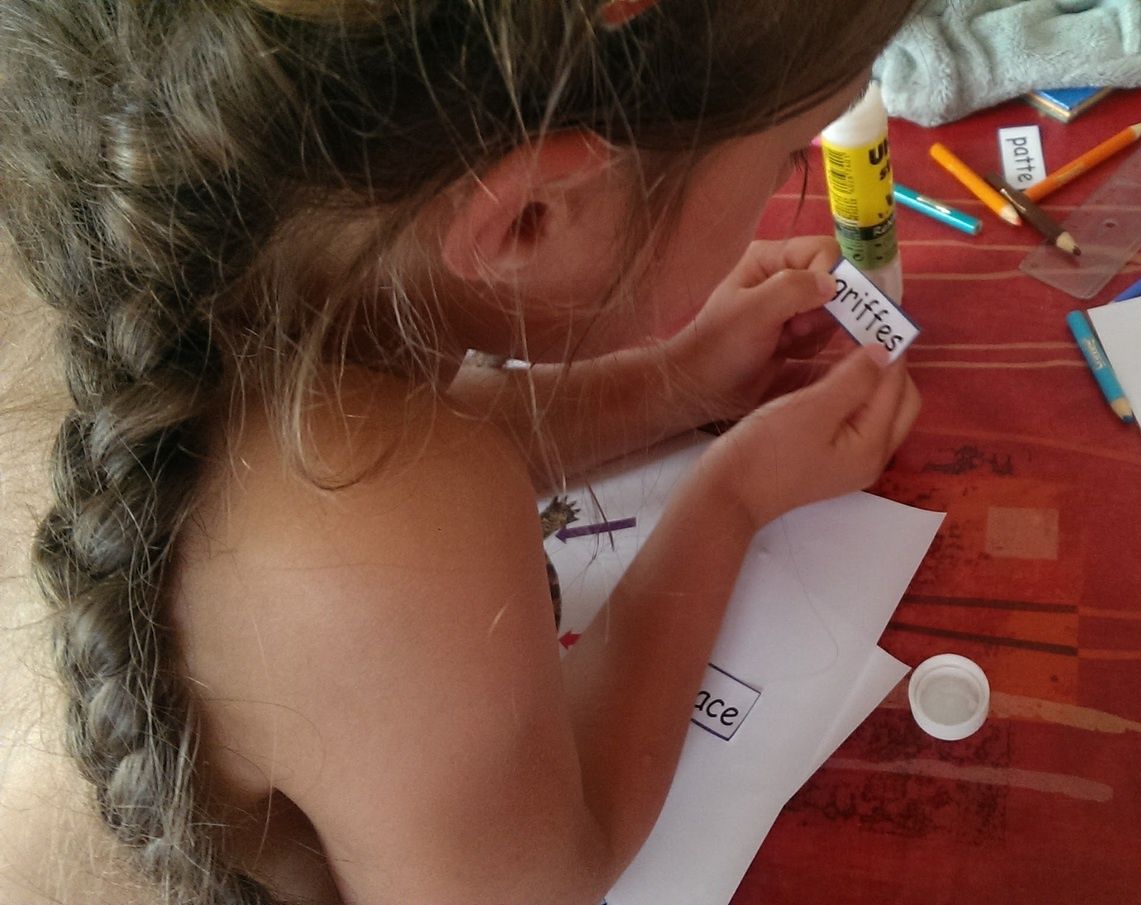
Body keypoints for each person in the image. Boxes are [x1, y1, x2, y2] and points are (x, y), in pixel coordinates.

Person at [0, 2, 922, 902]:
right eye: (788, 156)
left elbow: (405, 435)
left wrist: (673, 384)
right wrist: (731, 497)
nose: (788, 182)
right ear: (530, 217)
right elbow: (547, 878)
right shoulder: (372, 541)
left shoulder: (199, 270)